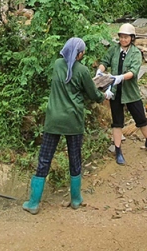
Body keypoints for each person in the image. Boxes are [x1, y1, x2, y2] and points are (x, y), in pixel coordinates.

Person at [23, 37, 103, 214]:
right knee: (75, 158)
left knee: (44, 158)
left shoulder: (58, 64)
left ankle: (34, 202)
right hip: (73, 121)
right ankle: (75, 199)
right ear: (79, 53)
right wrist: (104, 96)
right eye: (82, 52)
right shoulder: (82, 70)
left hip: (53, 120)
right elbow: (93, 93)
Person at [97, 23, 147, 165]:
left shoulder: (135, 53)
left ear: (132, 38)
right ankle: (118, 150)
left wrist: (120, 77)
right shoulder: (114, 49)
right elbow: (105, 61)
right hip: (115, 92)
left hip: (130, 92)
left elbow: (133, 71)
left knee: (141, 118)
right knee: (117, 121)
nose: (123, 39)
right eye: (121, 37)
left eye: (126, 37)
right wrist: (100, 71)